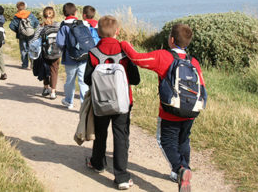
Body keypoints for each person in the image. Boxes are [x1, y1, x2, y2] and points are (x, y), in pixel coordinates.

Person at [119, 23, 207, 192]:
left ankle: (181, 169)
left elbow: (137, 58)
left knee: (166, 141)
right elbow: (201, 85)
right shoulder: (194, 61)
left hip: (170, 112)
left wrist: (124, 44)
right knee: (183, 140)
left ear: (172, 40)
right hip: (191, 112)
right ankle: (181, 171)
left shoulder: (163, 56)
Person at [84, 15, 140, 190]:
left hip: (100, 101)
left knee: (100, 133)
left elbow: (87, 79)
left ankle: (98, 163)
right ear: (117, 31)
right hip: (123, 102)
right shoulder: (125, 53)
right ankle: (121, 176)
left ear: (98, 32)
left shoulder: (93, 53)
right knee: (121, 136)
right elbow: (136, 79)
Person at [56, 2, 93, 109]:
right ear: (76, 12)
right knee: (83, 81)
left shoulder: (64, 26)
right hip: (84, 56)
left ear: (64, 13)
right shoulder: (83, 23)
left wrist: (65, 50)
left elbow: (60, 43)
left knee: (70, 80)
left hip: (69, 57)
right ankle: (83, 104)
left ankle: (69, 101)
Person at [31, 6, 61, 99]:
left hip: (44, 52)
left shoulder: (40, 27)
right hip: (56, 52)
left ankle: (45, 88)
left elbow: (34, 40)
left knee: (45, 69)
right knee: (54, 71)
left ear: (43, 15)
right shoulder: (58, 25)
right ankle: (53, 92)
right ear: (54, 15)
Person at [9, 1, 39, 69]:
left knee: (23, 50)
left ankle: (25, 65)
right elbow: (37, 23)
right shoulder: (30, 14)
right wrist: (31, 28)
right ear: (25, 7)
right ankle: (33, 64)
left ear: (17, 8)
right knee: (31, 48)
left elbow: (11, 26)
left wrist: (18, 31)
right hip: (31, 34)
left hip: (21, 35)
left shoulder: (17, 16)